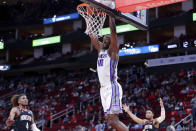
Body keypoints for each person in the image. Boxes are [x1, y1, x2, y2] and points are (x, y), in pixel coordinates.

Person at [89, 15, 128, 131]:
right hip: (103, 89)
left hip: (112, 87)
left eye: (107, 41)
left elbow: (113, 33)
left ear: (112, 43)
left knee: (113, 120)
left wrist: (111, 16)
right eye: (104, 40)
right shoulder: (101, 51)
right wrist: (91, 18)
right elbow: (92, 35)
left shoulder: (113, 52)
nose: (105, 42)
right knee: (110, 122)